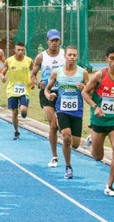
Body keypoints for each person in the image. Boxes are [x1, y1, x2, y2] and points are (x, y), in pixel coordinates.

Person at [82, 45, 114, 196]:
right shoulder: (99, 75)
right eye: (112, 58)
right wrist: (95, 106)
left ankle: (110, 185)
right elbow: (85, 92)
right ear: (106, 59)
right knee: (98, 156)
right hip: (99, 119)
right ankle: (91, 137)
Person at [44, 45, 89, 179]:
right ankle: (68, 167)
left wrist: (85, 88)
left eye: (74, 55)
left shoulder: (83, 73)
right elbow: (47, 89)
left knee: (75, 144)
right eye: (69, 55)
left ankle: (71, 137)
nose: (72, 57)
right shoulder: (57, 73)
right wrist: (48, 95)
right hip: (62, 110)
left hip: (77, 112)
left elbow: (92, 89)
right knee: (67, 136)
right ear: (65, 56)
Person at [31, 29, 65, 168]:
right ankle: (54, 156)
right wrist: (39, 83)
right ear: (47, 41)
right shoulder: (41, 57)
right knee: (53, 124)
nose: (54, 43)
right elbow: (32, 75)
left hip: (63, 92)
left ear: (59, 41)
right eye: (52, 40)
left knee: (64, 127)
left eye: (56, 40)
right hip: (47, 92)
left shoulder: (65, 54)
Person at [0, 41, 34, 140]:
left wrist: (32, 82)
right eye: (18, 50)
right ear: (14, 50)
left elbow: (34, 71)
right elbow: (3, 72)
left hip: (25, 89)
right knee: (14, 112)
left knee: (23, 110)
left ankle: (24, 112)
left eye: (22, 50)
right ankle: (16, 131)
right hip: (12, 89)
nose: (20, 52)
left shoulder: (28, 60)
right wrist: (2, 77)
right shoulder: (9, 61)